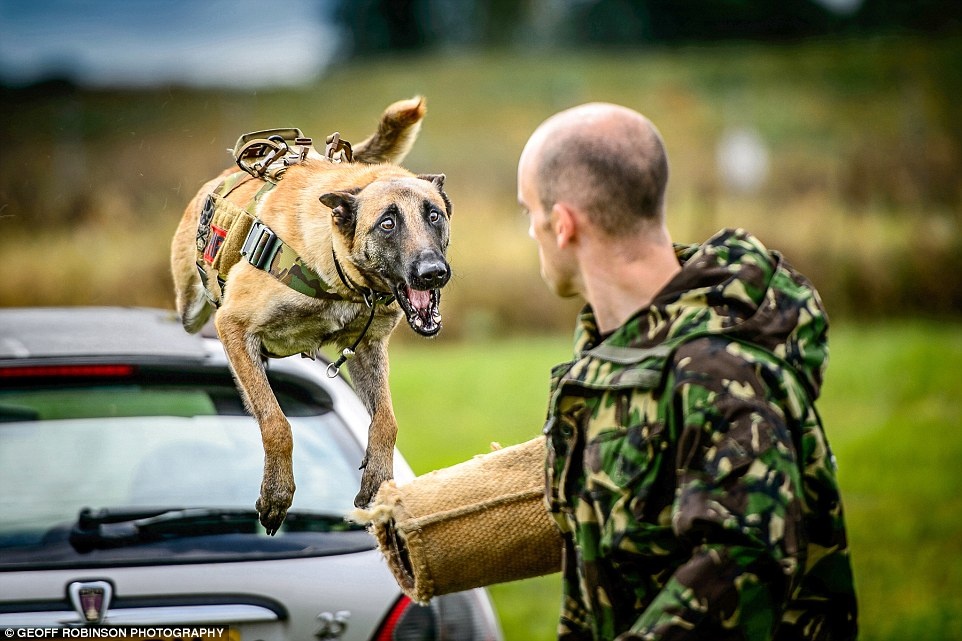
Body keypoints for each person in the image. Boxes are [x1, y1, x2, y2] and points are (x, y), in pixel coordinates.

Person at [517, 103, 858, 640]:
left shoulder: (716, 370)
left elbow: (745, 565)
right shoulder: (613, 358)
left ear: (562, 224)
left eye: (528, 211)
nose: (529, 229)